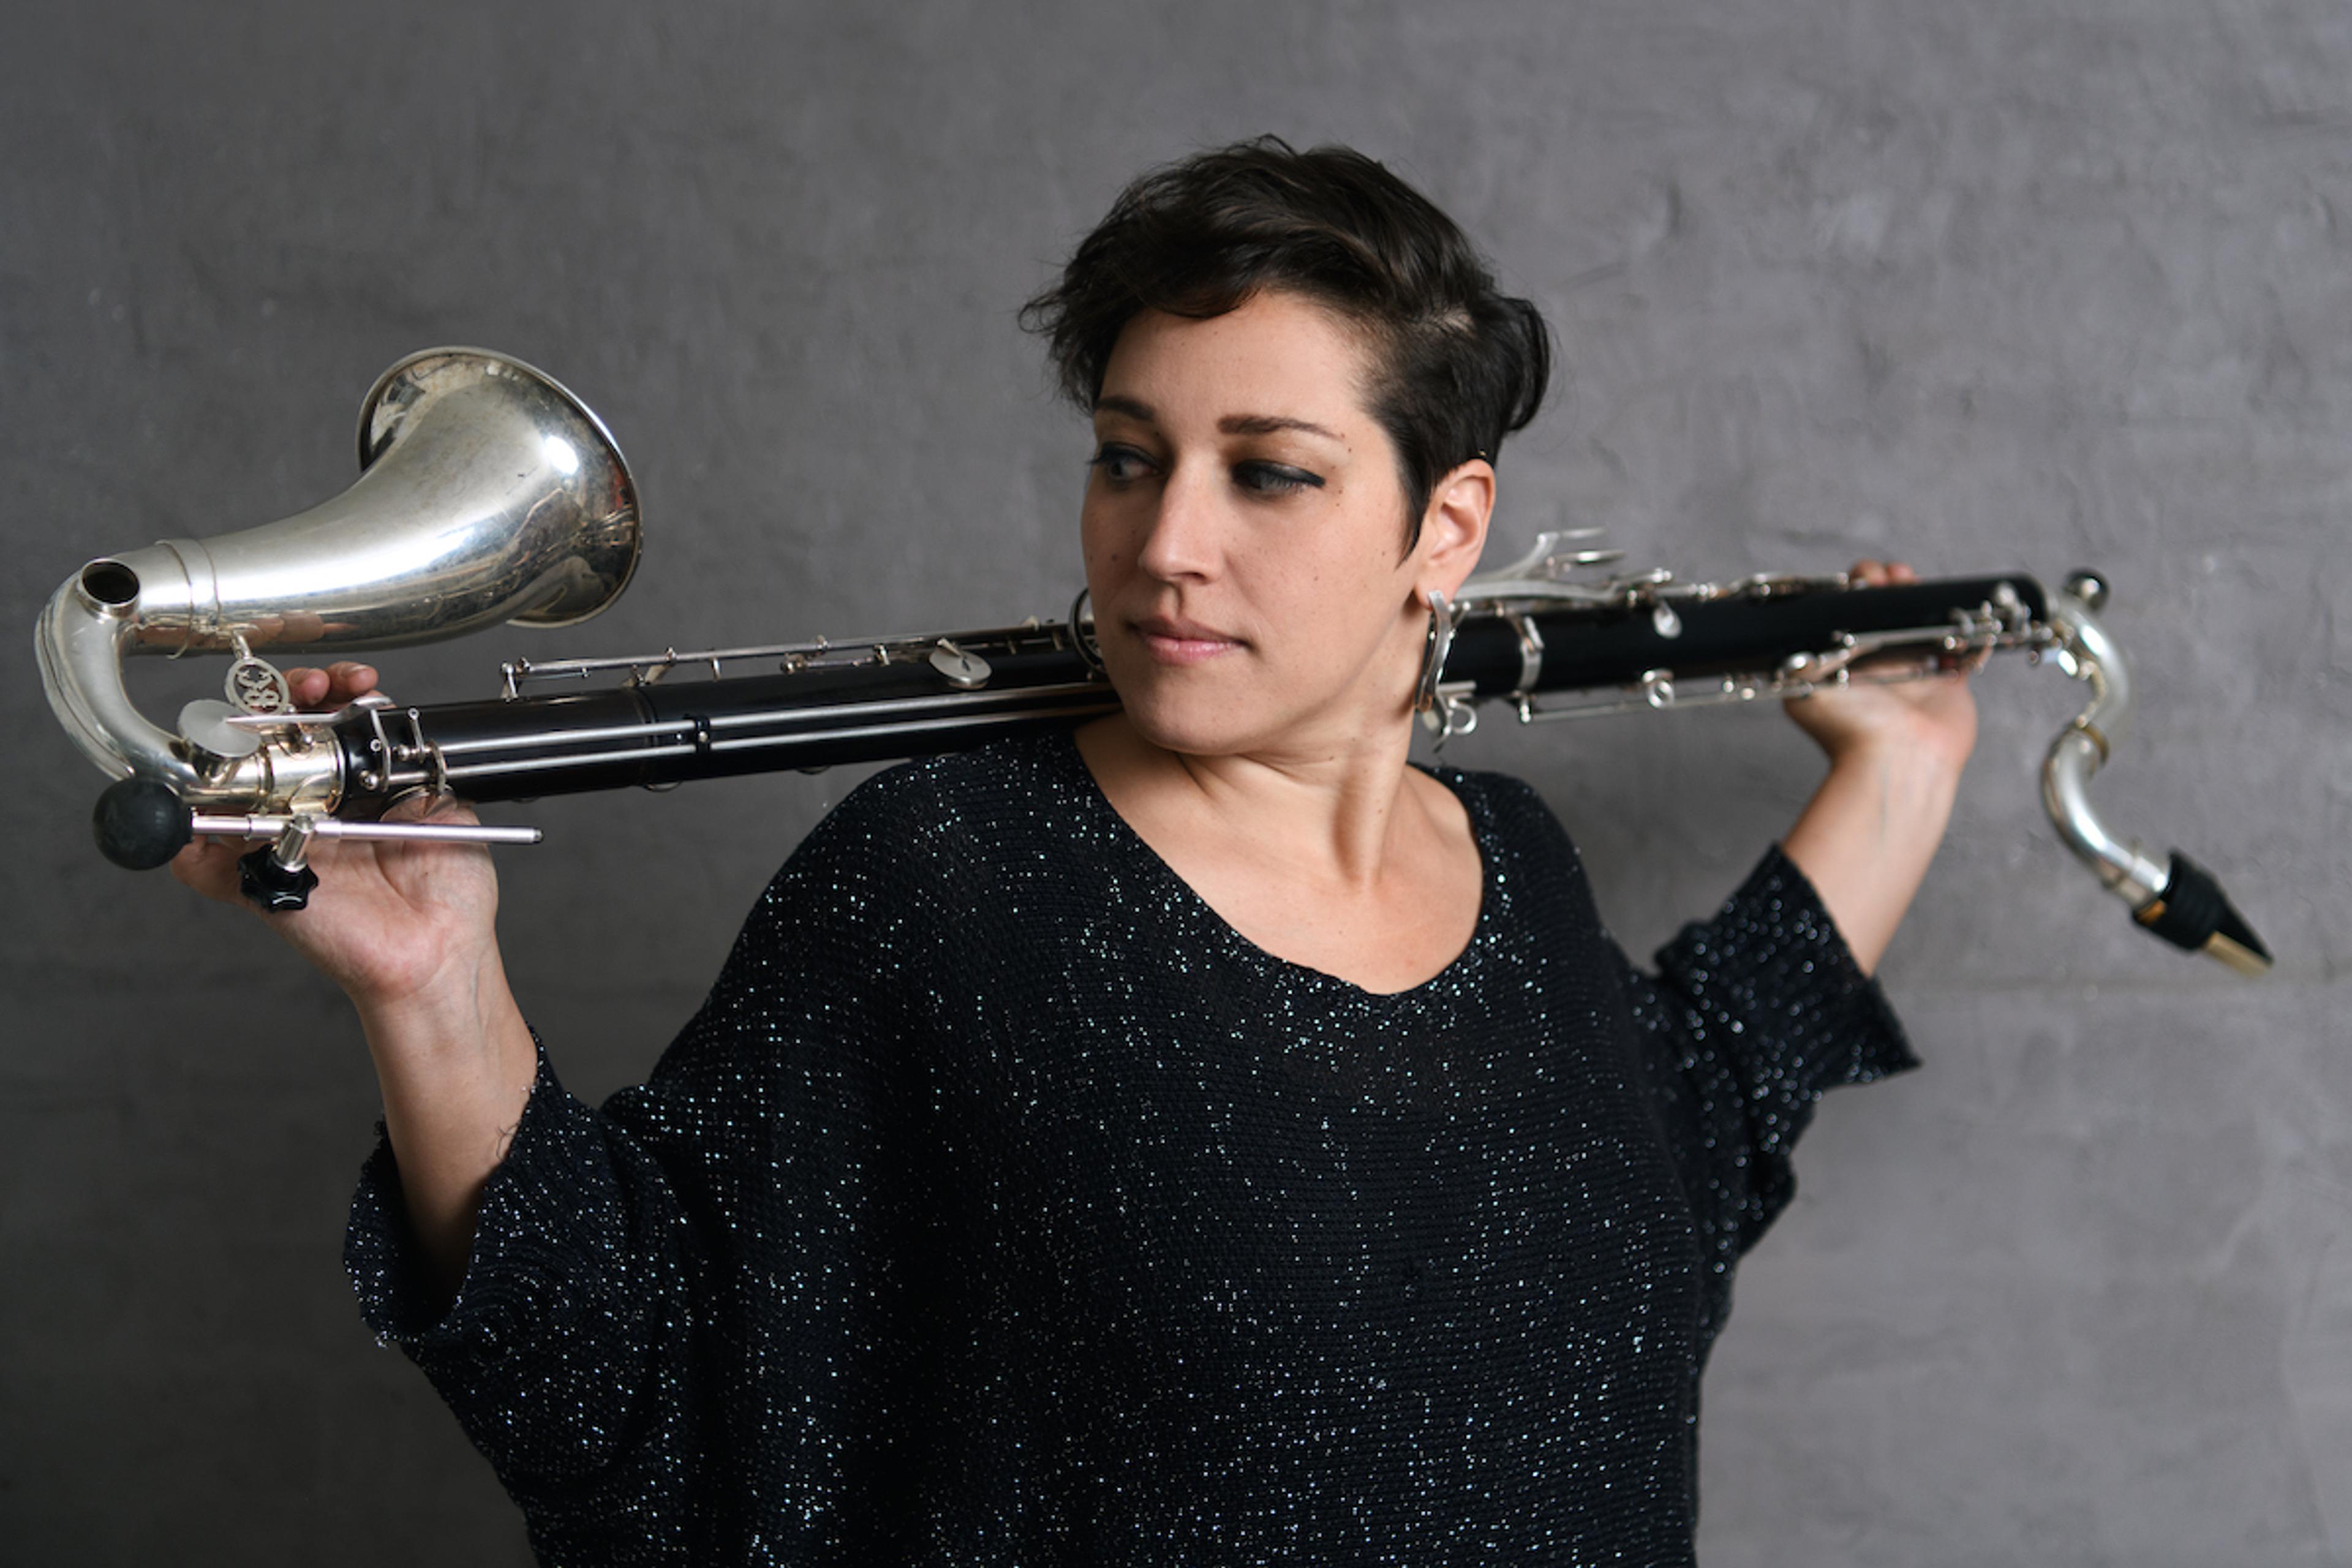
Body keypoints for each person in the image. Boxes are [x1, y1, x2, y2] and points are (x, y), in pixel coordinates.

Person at [174, 138, 1975, 1564]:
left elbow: (1676, 1162)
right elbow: (639, 1397)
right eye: (1129, 459)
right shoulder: (948, 883)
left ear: (1447, 526)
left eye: (1268, 471)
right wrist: (433, 984)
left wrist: (1897, 771)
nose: (1169, 541)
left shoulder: (1520, 863)